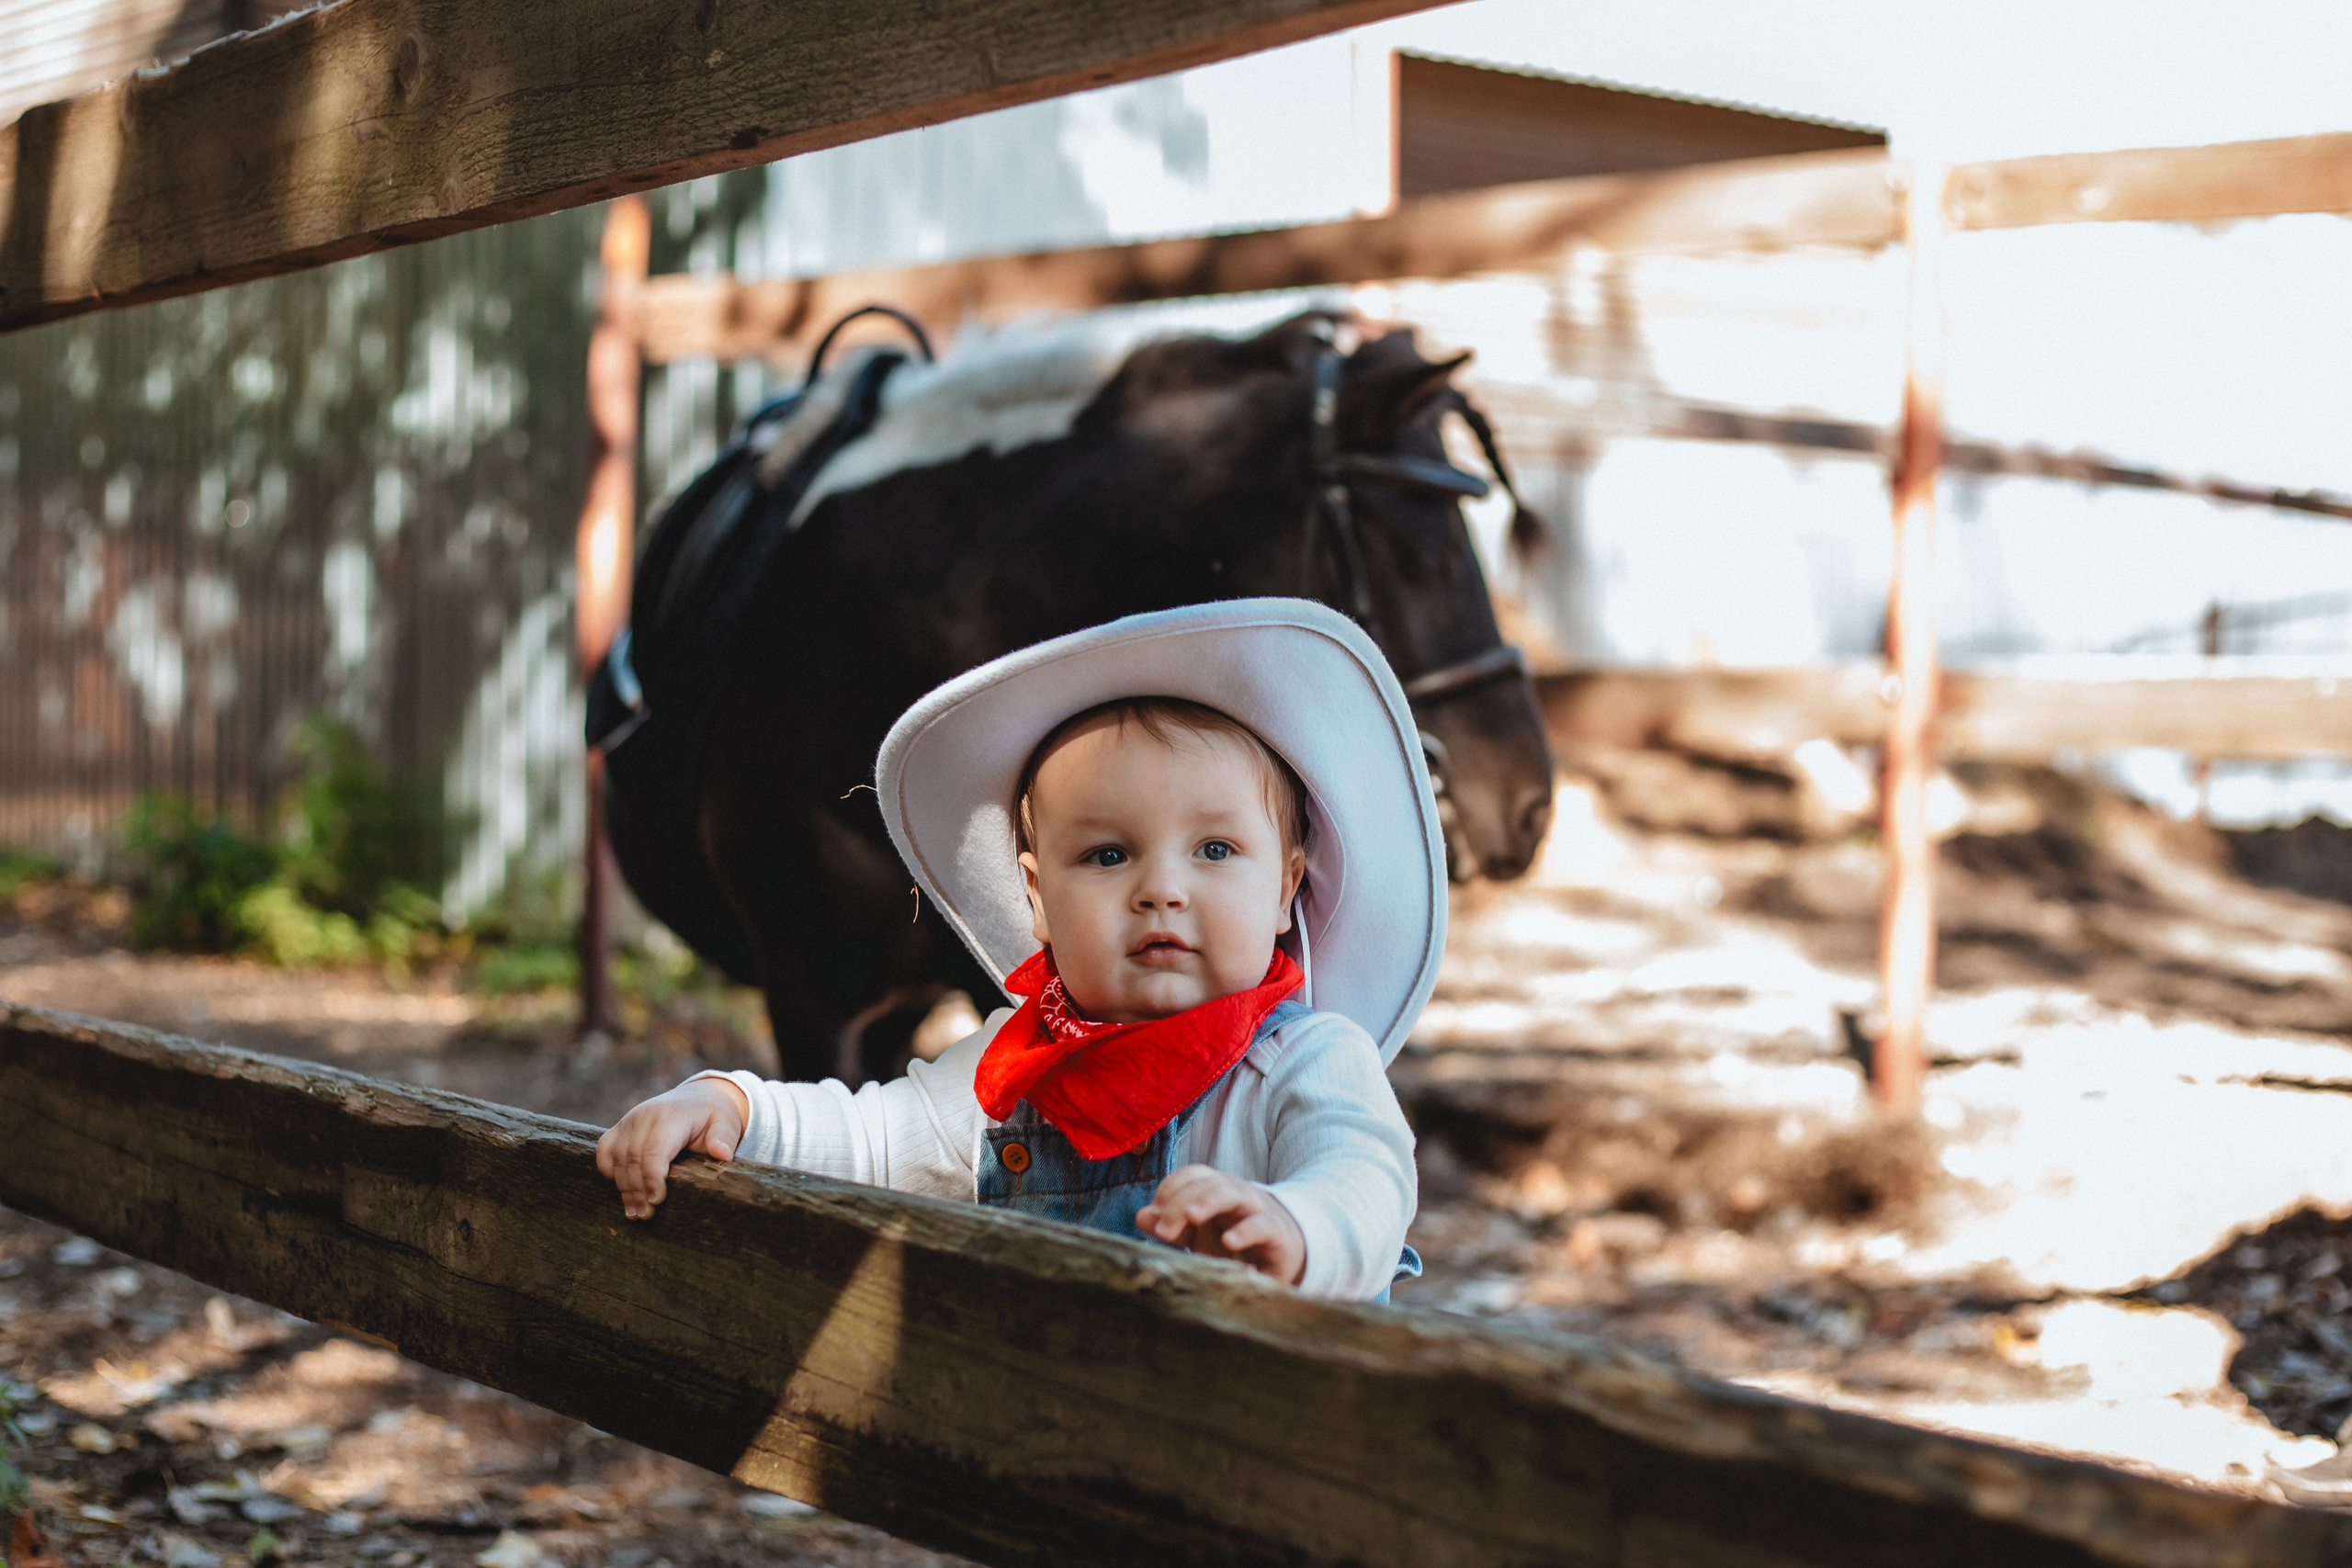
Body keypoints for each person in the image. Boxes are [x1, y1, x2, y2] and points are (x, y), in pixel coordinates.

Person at [594, 599, 1447, 1301]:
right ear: (1038, 899)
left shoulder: (1304, 1062)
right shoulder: (1015, 1069)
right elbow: (874, 1138)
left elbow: (1364, 1178)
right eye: (1107, 855)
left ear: (1288, 885)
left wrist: (1295, 1226)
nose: (1162, 889)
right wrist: (737, 1108)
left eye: (1215, 850)